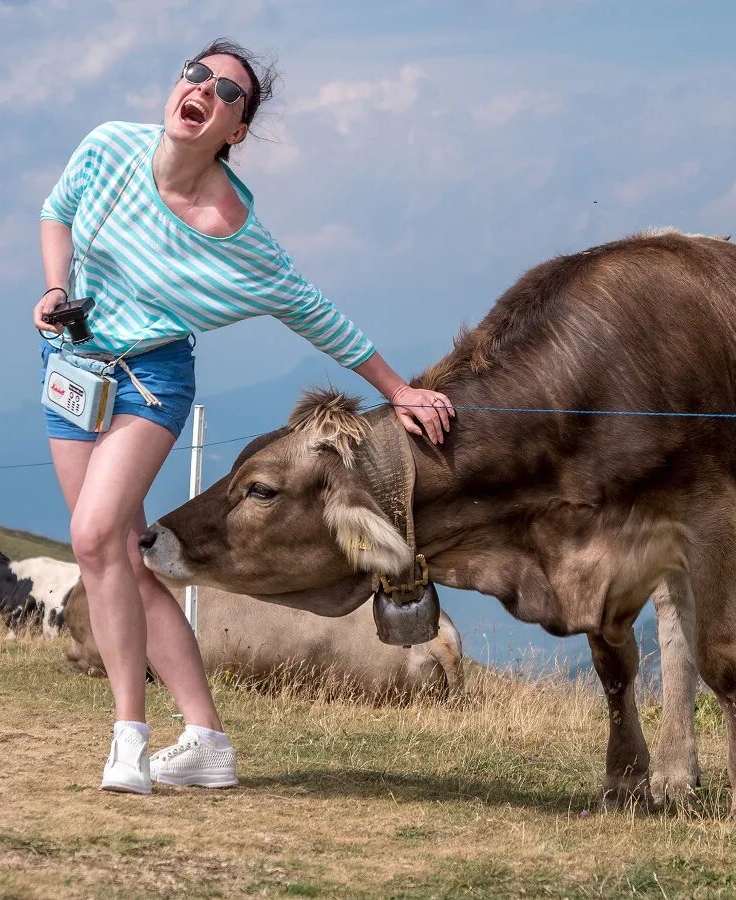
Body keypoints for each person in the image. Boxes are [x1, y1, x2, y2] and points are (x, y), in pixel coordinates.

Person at [33, 38, 455, 795]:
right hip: (68, 368)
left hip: (148, 383)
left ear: (237, 130)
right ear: (176, 86)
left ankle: (128, 737)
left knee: (95, 536)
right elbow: (55, 212)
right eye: (195, 74)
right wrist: (53, 288)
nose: (202, 90)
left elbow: (316, 313)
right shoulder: (106, 148)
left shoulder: (236, 232)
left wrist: (396, 388)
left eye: (227, 92)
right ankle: (206, 739)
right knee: (120, 558)